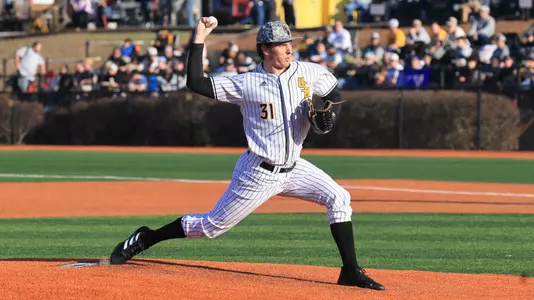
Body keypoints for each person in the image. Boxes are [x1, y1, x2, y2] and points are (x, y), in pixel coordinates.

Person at [109, 18, 385, 291]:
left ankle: (350, 270)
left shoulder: (308, 73)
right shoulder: (247, 83)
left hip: (294, 167)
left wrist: (331, 114)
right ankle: (147, 237)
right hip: (258, 172)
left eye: (290, 43)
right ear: (265, 49)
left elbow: (333, 92)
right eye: (282, 44)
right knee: (211, 227)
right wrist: (199, 38)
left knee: (339, 197)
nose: (289, 49)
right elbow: (196, 82)